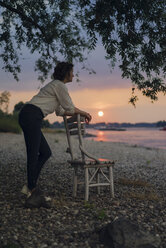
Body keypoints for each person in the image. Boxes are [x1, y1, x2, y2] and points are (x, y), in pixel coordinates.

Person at [19, 62, 92, 208]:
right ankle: (31, 189)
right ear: (66, 73)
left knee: (45, 152)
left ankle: (30, 186)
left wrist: (76, 117)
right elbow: (70, 107)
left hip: (30, 115)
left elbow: (61, 112)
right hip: (31, 115)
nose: (73, 74)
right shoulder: (60, 85)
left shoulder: (56, 86)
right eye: (72, 72)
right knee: (33, 154)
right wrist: (84, 113)